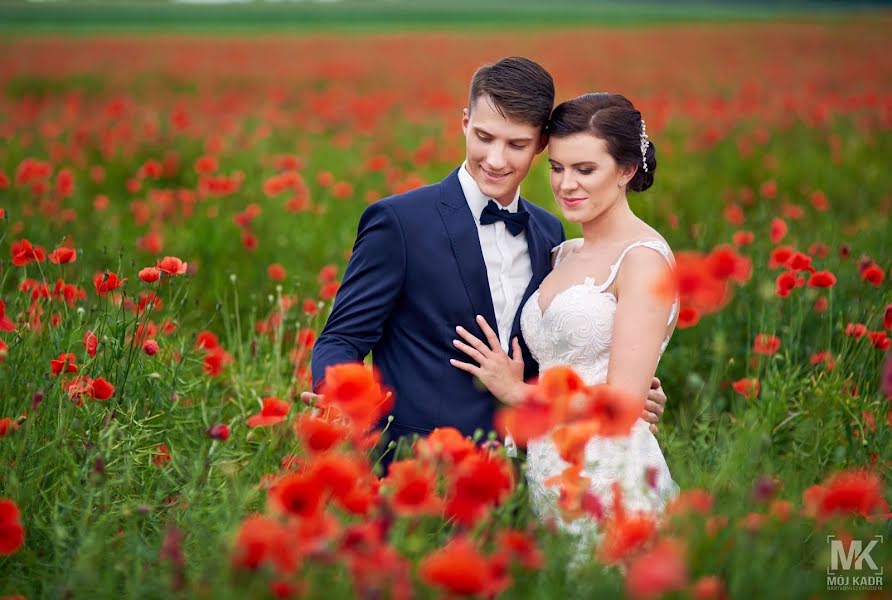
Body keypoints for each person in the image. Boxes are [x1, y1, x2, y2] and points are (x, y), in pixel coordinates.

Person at [306, 58, 667, 468]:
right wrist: (338, 399)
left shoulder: (550, 233)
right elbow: (342, 338)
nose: (495, 159)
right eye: (483, 137)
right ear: (464, 122)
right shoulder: (399, 223)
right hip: (421, 467)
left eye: (516, 145)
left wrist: (624, 392)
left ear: (541, 144)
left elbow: (553, 351)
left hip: (529, 471)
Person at [449, 93, 679, 529]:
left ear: (626, 170)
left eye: (585, 170)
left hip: (610, 476)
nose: (566, 185)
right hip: (549, 470)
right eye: (557, 168)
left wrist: (518, 393)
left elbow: (623, 402)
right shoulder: (563, 251)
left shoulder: (644, 259)